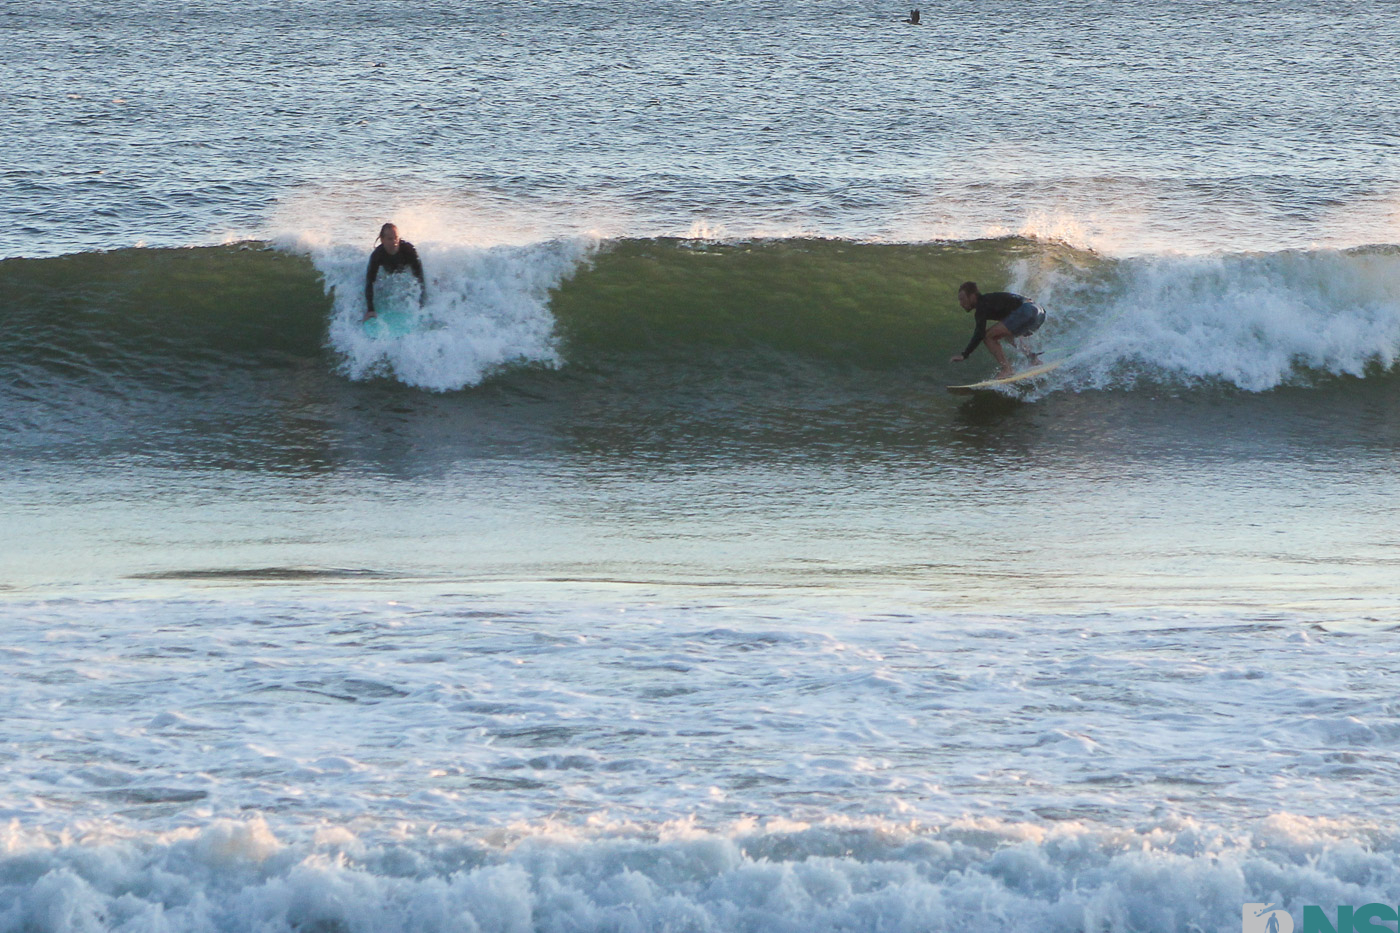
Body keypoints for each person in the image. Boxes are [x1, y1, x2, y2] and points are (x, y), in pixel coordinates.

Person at [948, 281, 1045, 378]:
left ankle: (1007, 369)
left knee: (988, 337)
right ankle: (1033, 358)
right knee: (1008, 336)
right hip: (1039, 313)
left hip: (1027, 310)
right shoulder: (991, 300)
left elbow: (979, 333)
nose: (961, 303)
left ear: (972, 296)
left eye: (962, 299)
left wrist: (965, 354)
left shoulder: (982, 305)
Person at [364, 223, 427, 321]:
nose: (394, 242)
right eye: (390, 239)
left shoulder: (409, 250)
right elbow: (369, 282)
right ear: (382, 239)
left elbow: (420, 278)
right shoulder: (377, 255)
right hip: (389, 273)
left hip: (405, 271)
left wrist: (421, 303)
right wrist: (370, 309)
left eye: (396, 238)